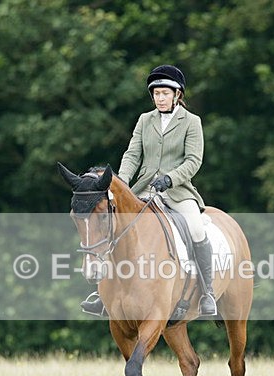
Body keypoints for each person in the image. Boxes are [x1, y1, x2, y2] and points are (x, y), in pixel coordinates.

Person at [81, 64, 217, 316]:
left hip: (177, 192)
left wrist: (170, 178)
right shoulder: (145, 120)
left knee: (197, 228)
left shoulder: (192, 122)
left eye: (165, 93)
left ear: (177, 95)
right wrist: (119, 184)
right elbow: (133, 154)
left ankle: (207, 292)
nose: (160, 98)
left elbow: (193, 161)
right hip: (143, 190)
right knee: (114, 227)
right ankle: (103, 293)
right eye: (156, 94)